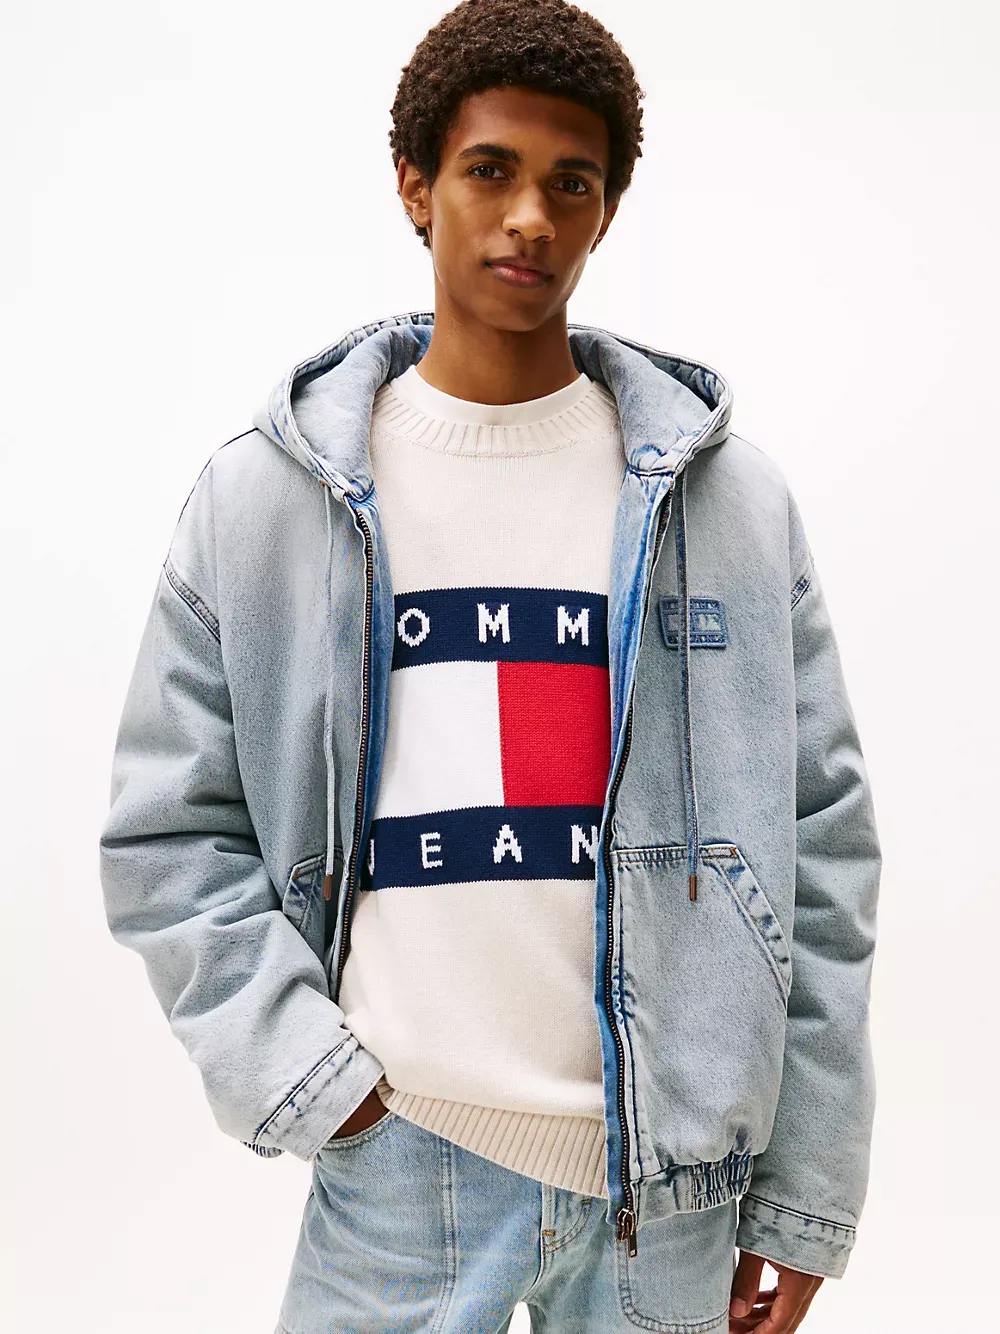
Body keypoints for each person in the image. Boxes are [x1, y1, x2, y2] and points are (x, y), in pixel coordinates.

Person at [99, 2, 881, 1330]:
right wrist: (311, 1076)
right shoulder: (267, 502)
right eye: (490, 170)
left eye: (572, 183)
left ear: (607, 211)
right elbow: (168, 834)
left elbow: (825, 853)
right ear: (416, 185)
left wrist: (805, 1187)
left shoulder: (733, 507)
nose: (530, 217)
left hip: (672, 1187)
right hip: (398, 1157)